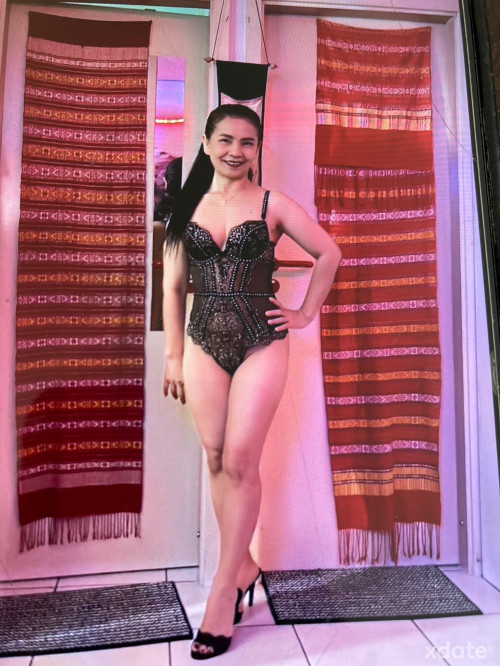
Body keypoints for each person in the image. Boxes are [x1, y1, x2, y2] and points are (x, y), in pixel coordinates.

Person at [162, 104, 341, 659]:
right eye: (225, 140)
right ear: (206, 143)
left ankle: (223, 591)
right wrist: (173, 355)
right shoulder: (186, 206)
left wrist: (304, 313)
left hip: (261, 340)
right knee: (217, 457)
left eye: (247, 142)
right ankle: (244, 568)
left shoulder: (273, 204)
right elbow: (173, 286)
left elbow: (329, 252)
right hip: (200, 342)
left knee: (241, 458)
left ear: (258, 149)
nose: (235, 151)